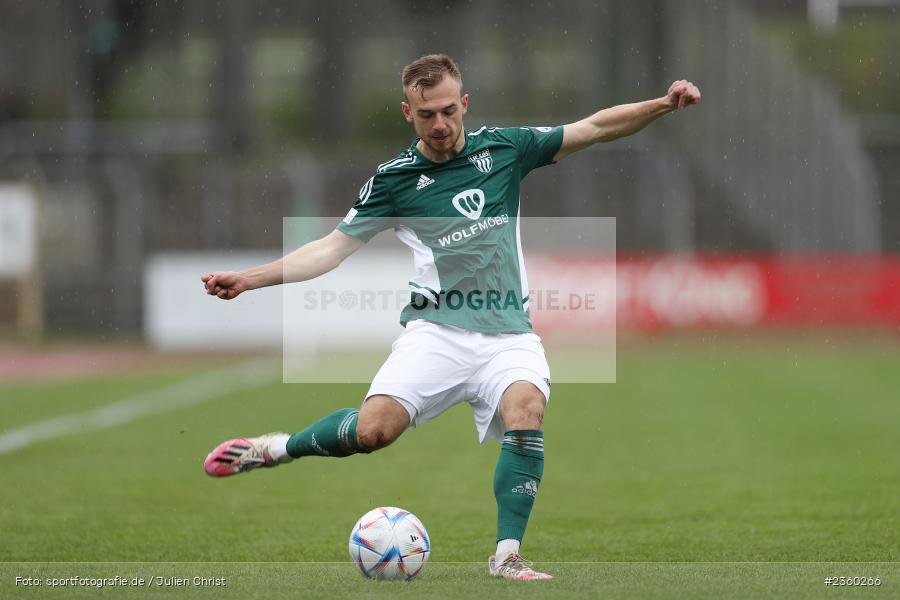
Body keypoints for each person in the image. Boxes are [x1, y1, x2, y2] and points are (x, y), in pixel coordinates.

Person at [201, 53, 700, 581]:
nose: (439, 124)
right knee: (373, 432)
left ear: (463, 104)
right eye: (425, 114)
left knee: (525, 409)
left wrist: (663, 105)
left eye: (447, 111)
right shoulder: (394, 180)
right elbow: (330, 249)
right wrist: (251, 278)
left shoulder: (506, 149)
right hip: (436, 332)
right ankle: (276, 448)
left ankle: (508, 555)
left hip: (508, 332)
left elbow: (594, 128)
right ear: (407, 113)